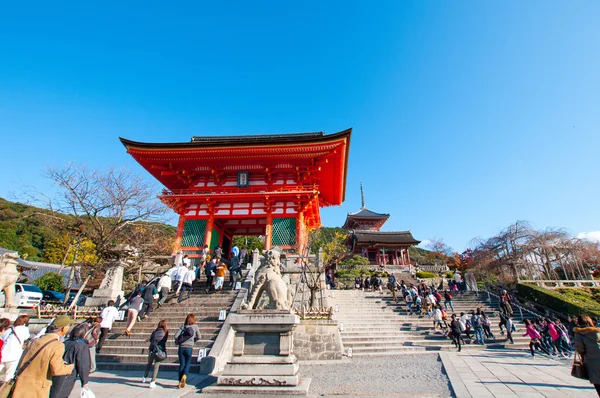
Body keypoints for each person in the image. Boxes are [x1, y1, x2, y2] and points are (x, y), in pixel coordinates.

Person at [11, 315, 75, 398]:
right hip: (37, 388)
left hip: (21, 384)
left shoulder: (35, 340)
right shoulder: (57, 345)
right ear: (63, 329)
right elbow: (57, 370)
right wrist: (70, 367)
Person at [49, 323, 91, 398]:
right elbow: (83, 365)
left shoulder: (65, 342)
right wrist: (84, 382)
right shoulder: (81, 346)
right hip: (68, 374)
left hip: (57, 372)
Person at [574, 314, 600, 394]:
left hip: (591, 359)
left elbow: (580, 348)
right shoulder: (597, 331)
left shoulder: (579, 333)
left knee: (597, 381)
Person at [0, 314, 31, 382]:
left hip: (4, 353)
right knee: (9, 375)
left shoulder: (10, 329)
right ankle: (3, 389)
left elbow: (3, 337)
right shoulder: (25, 329)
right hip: (14, 355)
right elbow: (26, 337)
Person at [175, 314, 201, 389]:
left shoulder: (183, 326)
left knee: (182, 364)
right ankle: (185, 375)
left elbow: (176, 336)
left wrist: (180, 340)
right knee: (187, 363)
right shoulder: (195, 326)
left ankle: (180, 381)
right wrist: (193, 341)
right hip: (189, 347)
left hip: (181, 347)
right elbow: (199, 336)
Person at [144, 320, 168, 389]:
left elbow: (151, 339)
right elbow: (164, 341)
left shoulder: (154, 332)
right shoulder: (165, 332)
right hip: (159, 350)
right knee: (156, 366)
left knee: (149, 364)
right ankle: (152, 382)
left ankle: (145, 376)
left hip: (152, 349)